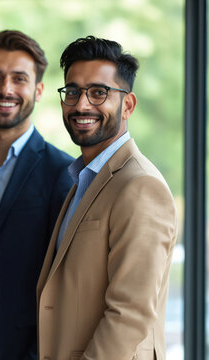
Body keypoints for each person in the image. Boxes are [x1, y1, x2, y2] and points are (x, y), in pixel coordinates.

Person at [36, 36, 177, 359]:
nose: (82, 104)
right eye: (72, 91)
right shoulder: (84, 179)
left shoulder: (139, 186)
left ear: (127, 104)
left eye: (99, 92)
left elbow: (130, 314)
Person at [0, 30, 73, 360]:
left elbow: (64, 285)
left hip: (26, 351)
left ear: (39, 90)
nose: (6, 89)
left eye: (19, 79)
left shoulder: (64, 173)